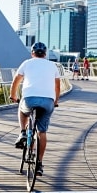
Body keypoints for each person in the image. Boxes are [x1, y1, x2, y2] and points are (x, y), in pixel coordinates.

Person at [10, 42, 61, 176]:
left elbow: (16, 80)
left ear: (32, 53)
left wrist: (13, 95)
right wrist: (55, 101)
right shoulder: (53, 65)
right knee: (42, 132)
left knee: (22, 108)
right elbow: (57, 87)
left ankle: (22, 132)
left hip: (29, 99)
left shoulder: (27, 63)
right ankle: (39, 163)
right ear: (45, 54)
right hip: (48, 101)